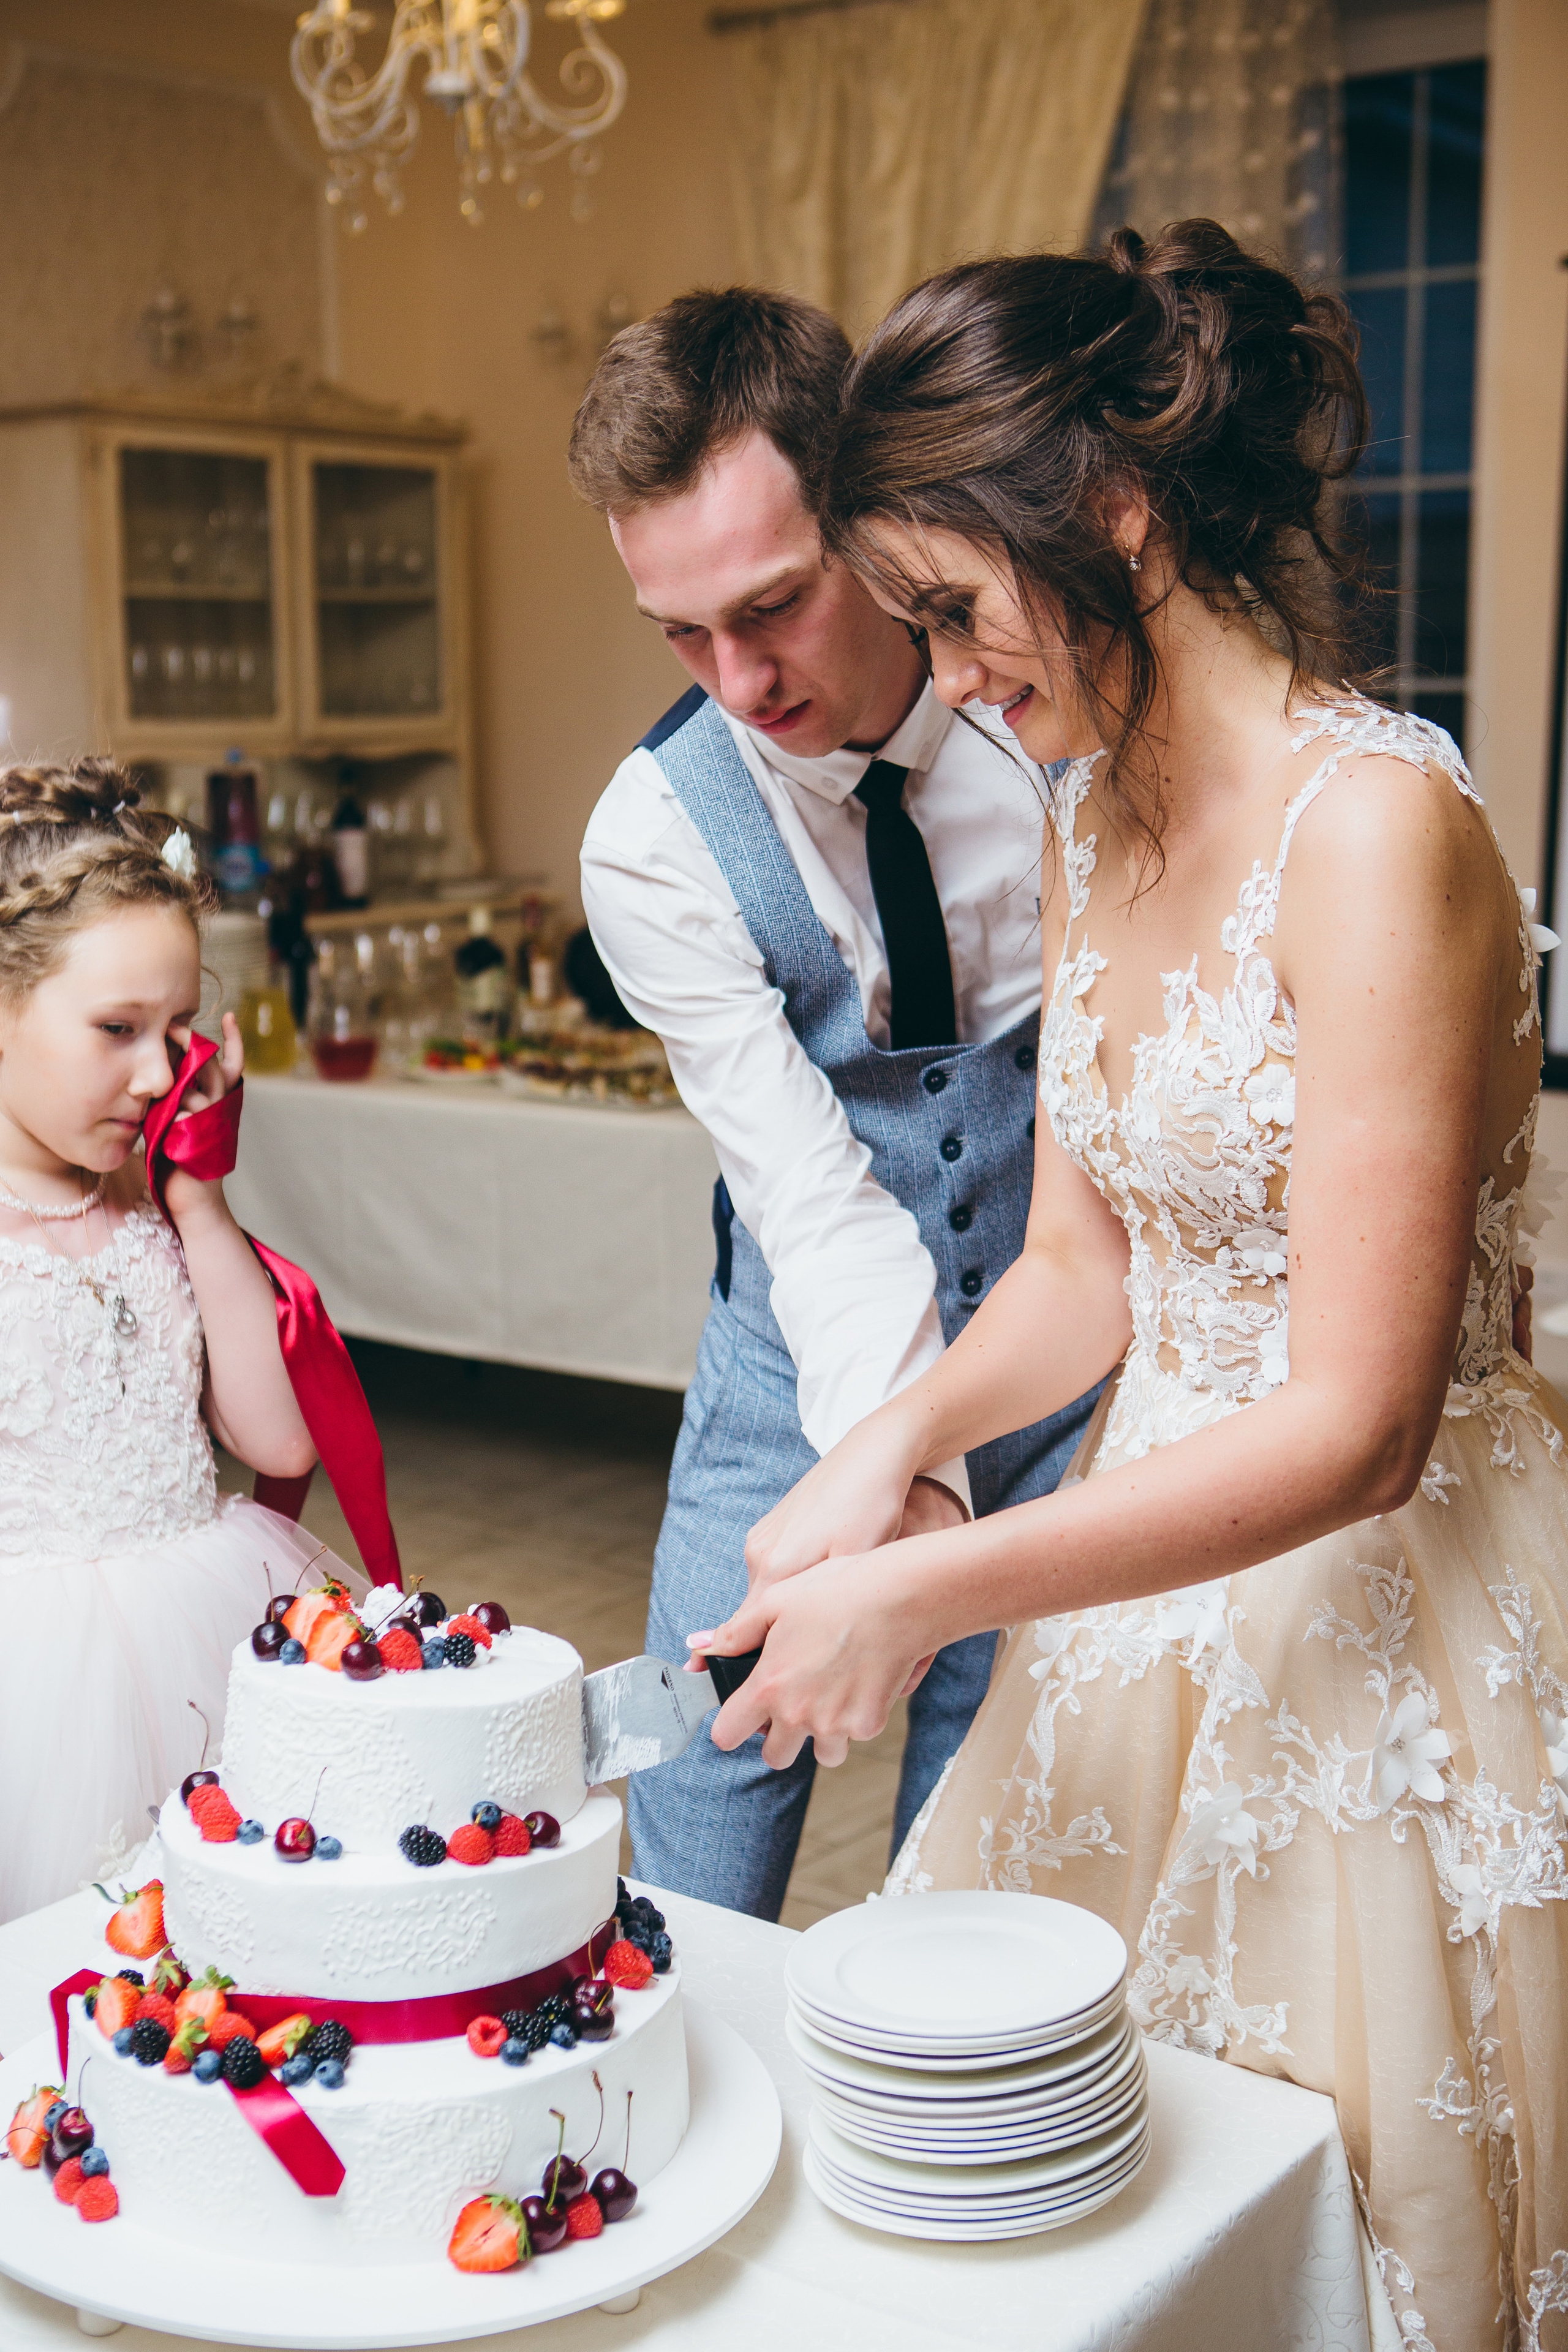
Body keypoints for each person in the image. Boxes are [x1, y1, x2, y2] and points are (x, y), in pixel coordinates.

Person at [694, 225, 1568, 2342]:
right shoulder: (1096, 816)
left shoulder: (1379, 832)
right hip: (1137, 1567)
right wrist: (893, 1448)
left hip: (1390, 1602)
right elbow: (1087, 1271)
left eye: (956, 610)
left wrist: (930, 1588)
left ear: (1111, 505)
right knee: (1029, 2199)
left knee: (1324, 2205)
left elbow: (1359, 1429)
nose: (959, 672)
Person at [571, 288, 1104, 1919]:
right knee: (695, 1817)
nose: (736, 680)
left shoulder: (1064, 738)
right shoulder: (651, 843)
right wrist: (906, 1467)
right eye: (677, 632)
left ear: (867, 521)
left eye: (776, 604)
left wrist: (954, 1490)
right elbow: (811, 1200)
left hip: (1077, 1376)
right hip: (791, 1357)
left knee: (985, 1850)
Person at [0, 760, 363, 1924]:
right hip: (34, 1686)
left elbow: (275, 1436)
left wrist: (200, 1201)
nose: (159, 1073)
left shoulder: (157, 1208)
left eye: (179, 1031)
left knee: (228, 1946)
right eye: (116, 1029)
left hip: (203, 1625)